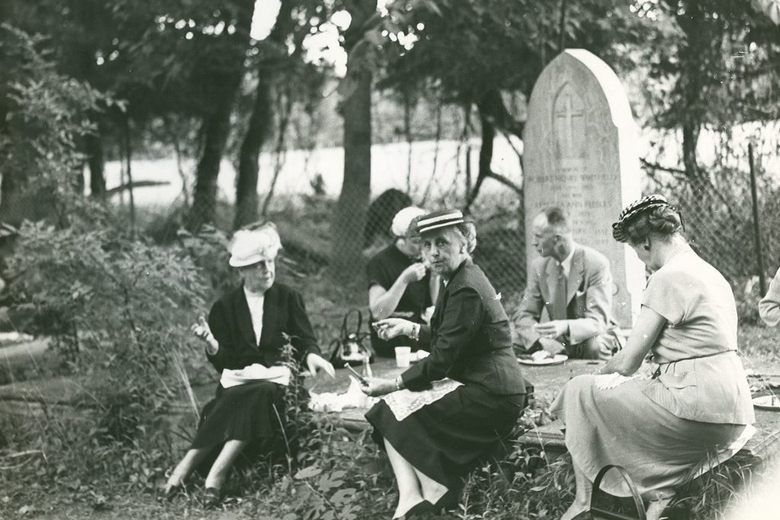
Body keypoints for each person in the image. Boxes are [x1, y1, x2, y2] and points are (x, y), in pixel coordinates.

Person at [551, 195, 755, 520]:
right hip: (733, 411)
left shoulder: (667, 276)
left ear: (645, 242)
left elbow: (628, 361)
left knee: (580, 390)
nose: (641, 260)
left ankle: (583, 501)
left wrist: (600, 375)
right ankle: (660, 490)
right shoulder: (710, 272)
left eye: (635, 251)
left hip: (696, 408)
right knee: (632, 395)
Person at [361, 209, 528, 520]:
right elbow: (448, 337)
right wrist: (407, 328)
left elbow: (441, 361)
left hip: (491, 396)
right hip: (486, 387)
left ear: (464, 244)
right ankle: (413, 496)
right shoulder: (459, 279)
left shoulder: (465, 287)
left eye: (442, 243)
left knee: (392, 406)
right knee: (391, 408)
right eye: (426, 245)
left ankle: (431, 490)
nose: (433, 253)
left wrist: (394, 383)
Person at [161, 224, 334, 506]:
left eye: (269, 262)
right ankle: (209, 473)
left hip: (281, 388)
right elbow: (226, 363)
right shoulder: (225, 307)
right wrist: (211, 343)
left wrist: (313, 356)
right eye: (257, 265)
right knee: (251, 393)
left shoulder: (288, 298)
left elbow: (305, 340)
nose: (267, 269)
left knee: (263, 391)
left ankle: (201, 469)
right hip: (240, 386)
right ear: (241, 271)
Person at [513, 206, 620, 360]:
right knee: (512, 342)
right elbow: (524, 314)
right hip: (558, 340)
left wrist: (565, 326)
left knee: (594, 345)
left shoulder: (596, 263)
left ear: (557, 239)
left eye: (538, 236)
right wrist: (540, 339)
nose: (533, 243)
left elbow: (598, 322)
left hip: (592, 335)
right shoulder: (539, 266)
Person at [367, 206, 438, 357]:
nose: (422, 248)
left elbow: (433, 306)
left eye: (425, 242)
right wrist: (404, 280)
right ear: (401, 239)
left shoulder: (425, 257)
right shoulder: (380, 262)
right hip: (393, 340)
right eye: (416, 242)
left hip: (420, 336)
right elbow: (378, 313)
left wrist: (435, 277)